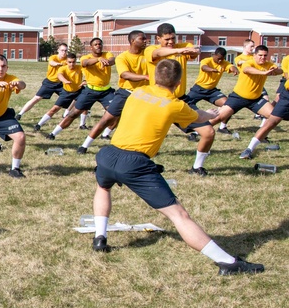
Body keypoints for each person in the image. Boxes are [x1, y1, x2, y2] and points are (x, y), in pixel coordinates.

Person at [89, 58, 263, 276]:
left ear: (154, 76)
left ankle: (100, 237)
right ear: (179, 82)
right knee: (179, 215)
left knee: (103, 188)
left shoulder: (138, 92)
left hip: (107, 154)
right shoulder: (176, 105)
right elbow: (202, 118)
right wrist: (215, 114)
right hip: (134, 163)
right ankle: (227, 263)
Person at [142, 24, 217, 176]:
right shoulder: (150, 49)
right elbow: (158, 52)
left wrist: (189, 50)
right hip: (158, 101)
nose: (171, 42)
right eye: (167, 39)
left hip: (180, 100)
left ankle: (197, 167)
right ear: (158, 38)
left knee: (208, 132)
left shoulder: (184, 46)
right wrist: (179, 51)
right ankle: (142, 165)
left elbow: (194, 52)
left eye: (173, 39)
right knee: (147, 136)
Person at [77, 31, 149, 154]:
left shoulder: (148, 53)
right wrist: (146, 77)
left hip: (145, 94)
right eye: (142, 39)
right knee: (106, 119)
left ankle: (143, 148)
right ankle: (84, 145)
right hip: (125, 92)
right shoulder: (123, 57)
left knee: (143, 122)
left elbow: (110, 60)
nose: (146, 41)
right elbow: (125, 75)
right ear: (132, 41)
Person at [206, 44, 283, 159]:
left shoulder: (268, 64)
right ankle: (197, 131)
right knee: (219, 117)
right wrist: (263, 73)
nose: (262, 58)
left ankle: (250, 148)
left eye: (265, 56)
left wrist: (275, 70)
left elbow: (280, 71)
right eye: (260, 55)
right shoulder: (249, 62)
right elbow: (247, 70)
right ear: (255, 55)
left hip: (255, 99)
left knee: (274, 117)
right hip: (238, 97)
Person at [46, 38, 115, 136]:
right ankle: (53, 133)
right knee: (74, 113)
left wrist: (108, 61)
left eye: (100, 44)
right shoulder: (85, 57)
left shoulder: (107, 55)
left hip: (106, 91)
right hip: (90, 90)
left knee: (115, 112)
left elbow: (112, 60)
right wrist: (98, 59)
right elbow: (85, 63)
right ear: (91, 47)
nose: (98, 46)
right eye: (95, 44)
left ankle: (105, 134)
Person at [186, 47, 236, 134]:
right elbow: (204, 67)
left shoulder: (224, 63)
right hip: (198, 89)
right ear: (214, 55)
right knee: (185, 105)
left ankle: (222, 127)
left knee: (229, 106)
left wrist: (235, 70)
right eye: (218, 58)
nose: (220, 61)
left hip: (212, 91)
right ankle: (189, 125)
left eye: (222, 59)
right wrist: (212, 69)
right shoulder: (207, 60)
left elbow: (230, 66)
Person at [17, 43, 68, 122]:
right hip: (49, 82)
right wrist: (59, 64)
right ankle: (20, 114)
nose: (64, 52)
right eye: (62, 50)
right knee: (36, 98)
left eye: (65, 51)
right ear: (58, 50)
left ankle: (66, 114)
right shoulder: (53, 57)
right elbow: (52, 63)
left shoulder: (67, 59)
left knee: (70, 98)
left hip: (60, 84)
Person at [37, 53, 83, 133]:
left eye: (73, 62)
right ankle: (39, 124)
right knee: (54, 109)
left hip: (78, 91)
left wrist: (85, 81)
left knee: (84, 106)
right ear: (66, 62)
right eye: (69, 62)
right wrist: (65, 81)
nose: (72, 64)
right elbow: (59, 75)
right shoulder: (63, 68)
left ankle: (82, 124)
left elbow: (88, 74)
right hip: (66, 92)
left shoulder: (80, 68)